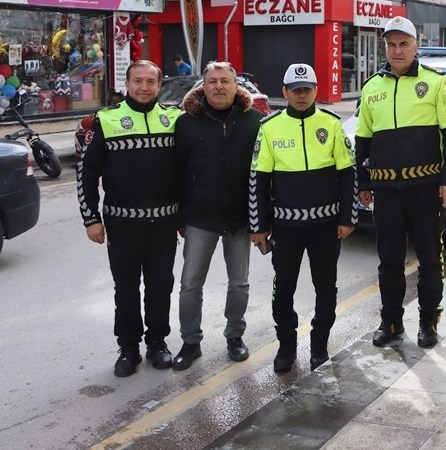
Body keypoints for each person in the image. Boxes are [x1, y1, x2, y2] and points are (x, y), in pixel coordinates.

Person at [355, 16, 446, 348]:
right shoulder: (372, 86)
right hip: (386, 192)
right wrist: (364, 184)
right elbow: (363, 141)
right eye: (391, 44)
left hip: (426, 189)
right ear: (384, 48)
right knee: (389, 261)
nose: (397, 50)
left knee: (430, 259)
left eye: (403, 44)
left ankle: (429, 321)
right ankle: (390, 322)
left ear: (415, 47)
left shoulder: (436, 82)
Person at [249, 63, 356, 372]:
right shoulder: (269, 127)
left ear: (315, 91)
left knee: (326, 288)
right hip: (286, 228)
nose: (301, 95)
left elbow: (348, 174)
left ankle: (319, 345)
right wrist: (258, 226)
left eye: (306, 89)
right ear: (284, 92)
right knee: (283, 289)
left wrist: (347, 218)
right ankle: (286, 346)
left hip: (326, 226)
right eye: (295, 90)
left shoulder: (332, 124)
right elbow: (257, 180)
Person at [78, 60, 182, 377]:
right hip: (122, 225)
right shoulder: (106, 121)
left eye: (150, 81)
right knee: (126, 290)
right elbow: (86, 173)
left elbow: (189, 172)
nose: (144, 87)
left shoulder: (174, 119)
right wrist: (90, 218)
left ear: (159, 84)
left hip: (165, 224)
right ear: (128, 83)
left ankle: (157, 343)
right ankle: (128, 348)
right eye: (138, 81)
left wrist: (186, 215)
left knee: (160, 286)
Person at [172, 61, 262, 371]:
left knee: (239, 283)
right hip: (200, 218)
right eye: (213, 81)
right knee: (189, 285)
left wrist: (260, 220)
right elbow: (178, 174)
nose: (219, 86)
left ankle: (235, 336)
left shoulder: (255, 122)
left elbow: (263, 174)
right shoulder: (186, 124)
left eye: (225, 81)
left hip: (239, 219)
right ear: (203, 86)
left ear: (237, 86)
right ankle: (190, 342)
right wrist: (179, 217)